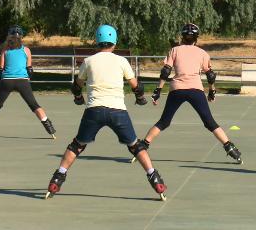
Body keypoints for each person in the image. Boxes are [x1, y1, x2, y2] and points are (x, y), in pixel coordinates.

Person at [45, 25, 167, 200]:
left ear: (97, 41)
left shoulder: (88, 61)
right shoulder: (121, 61)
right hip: (117, 110)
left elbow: (76, 86)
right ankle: (154, 178)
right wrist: (140, 98)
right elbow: (136, 86)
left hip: (94, 110)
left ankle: (57, 178)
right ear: (114, 42)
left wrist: (78, 98)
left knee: (76, 146)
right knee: (135, 146)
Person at [130, 23, 243, 164]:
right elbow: (210, 75)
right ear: (197, 38)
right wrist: (212, 91)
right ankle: (231, 148)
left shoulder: (175, 50)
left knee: (164, 122)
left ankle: (143, 147)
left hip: (177, 89)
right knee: (209, 122)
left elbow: (166, 71)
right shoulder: (202, 53)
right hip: (195, 89)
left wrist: (158, 90)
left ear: (182, 37)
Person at [0, 25, 56, 139]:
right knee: (34, 105)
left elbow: (0, 70)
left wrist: (2, 80)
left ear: (9, 36)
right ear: (21, 37)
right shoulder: (26, 50)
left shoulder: (5, 50)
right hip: (22, 81)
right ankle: (50, 129)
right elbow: (30, 70)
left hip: (7, 81)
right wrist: (26, 78)